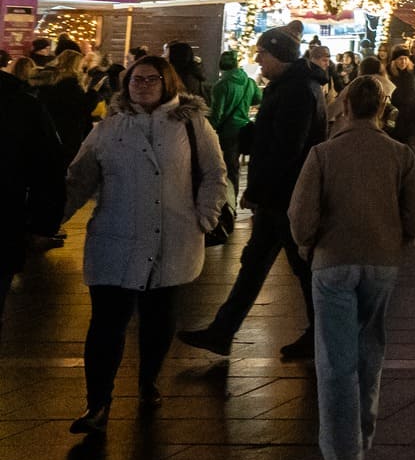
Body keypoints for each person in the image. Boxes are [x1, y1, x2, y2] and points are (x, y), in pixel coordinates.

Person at [62, 54, 228, 437]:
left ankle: (148, 379)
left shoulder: (192, 125)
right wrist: (48, 220)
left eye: (151, 79)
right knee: (106, 323)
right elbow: (79, 179)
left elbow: (215, 173)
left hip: (173, 238)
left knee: (158, 319)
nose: (142, 85)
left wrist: (205, 216)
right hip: (115, 239)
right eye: (136, 79)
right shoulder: (109, 128)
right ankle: (98, 402)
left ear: (167, 83)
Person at [289, 77, 415, 460]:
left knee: (335, 361)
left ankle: (341, 458)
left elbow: (301, 216)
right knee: (370, 351)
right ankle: (362, 440)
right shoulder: (399, 154)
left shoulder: (323, 153)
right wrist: (394, 236)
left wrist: (307, 243)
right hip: (381, 261)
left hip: (332, 260)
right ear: (383, 108)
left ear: (344, 107)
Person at [180, 27, 330, 360]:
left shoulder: (297, 91)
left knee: (299, 268)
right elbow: (270, 137)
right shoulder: (289, 87)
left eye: (262, 53)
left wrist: (258, 190)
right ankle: (223, 331)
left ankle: (320, 335)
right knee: (258, 264)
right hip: (281, 195)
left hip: (286, 197)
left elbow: (286, 149)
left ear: (278, 54)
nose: (258, 60)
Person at [1, 60, 66, 340]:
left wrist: (43, 224)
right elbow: (49, 167)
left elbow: (48, 169)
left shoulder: (21, 105)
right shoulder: (21, 104)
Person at [207, 50, 260, 218]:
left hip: (227, 133)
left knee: (224, 170)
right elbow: (258, 99)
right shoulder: (249, 82)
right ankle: (234, 205)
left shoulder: (221, 86)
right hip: (244, 130)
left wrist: (209, 130)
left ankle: (226, 207)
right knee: (235, 170)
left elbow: (217, 114)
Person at [33, 48, 97, 167]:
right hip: (68, 132)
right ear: (74, 65)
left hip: (49, 130)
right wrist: (93, 93)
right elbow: (82, 108)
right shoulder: (70, 84)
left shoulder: (49, 79)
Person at [386, 48, 415, 151]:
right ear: (394, 60)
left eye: (406, 58)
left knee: (410, 146)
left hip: (411, 116)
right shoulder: (388, 72)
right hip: (393, 116)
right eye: (400, 59)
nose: (403, 62)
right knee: (393, 146)